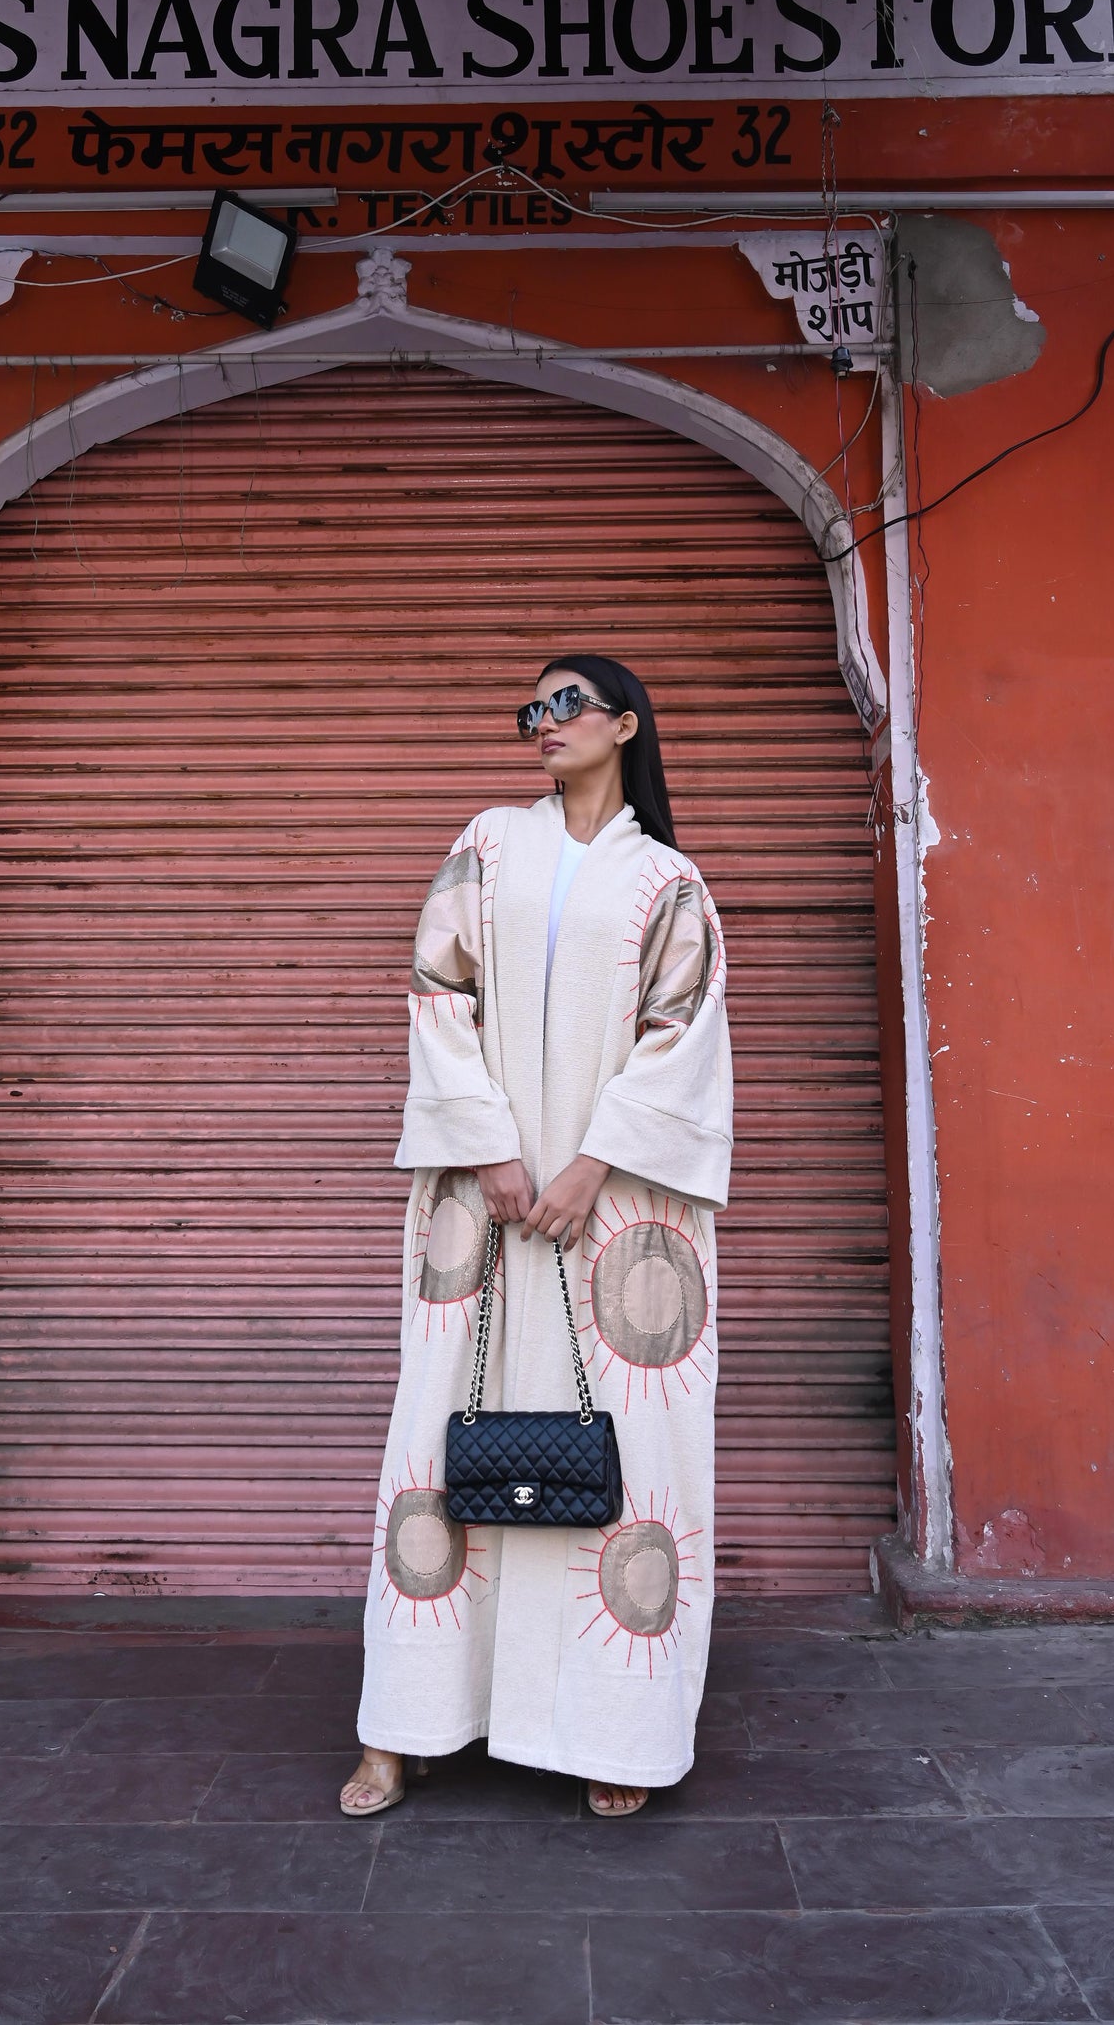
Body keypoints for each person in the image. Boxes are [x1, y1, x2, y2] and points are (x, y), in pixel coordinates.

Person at [341, 654, 733, 1820]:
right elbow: (433, 986)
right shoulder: (489, 844)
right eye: (531, 709)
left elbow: (682, 1032)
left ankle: (615, 1732)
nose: (543, 724)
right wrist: (492, 1147)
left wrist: (591, 1163)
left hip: (617, 1206)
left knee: (629, 1451)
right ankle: (400, 1728)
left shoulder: (668, 880)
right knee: (435, 1433)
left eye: (566, 704)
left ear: (624, 724)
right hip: (484, 1191)